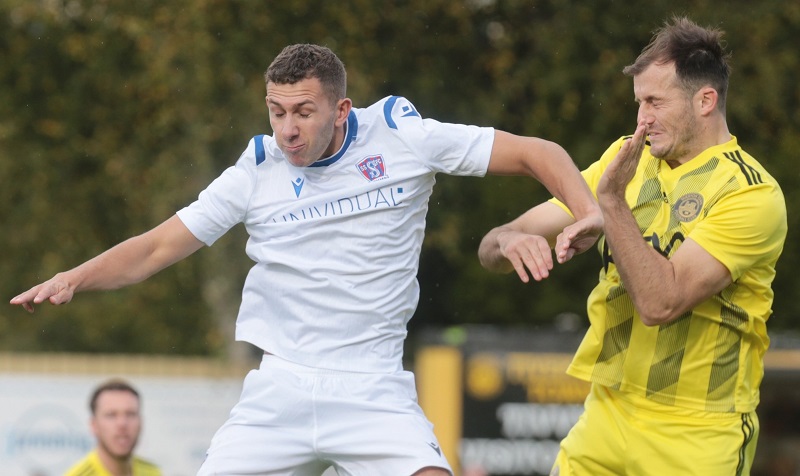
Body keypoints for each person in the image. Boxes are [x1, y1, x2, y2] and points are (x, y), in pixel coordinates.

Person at [11, 44, 601, 475]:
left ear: (342, 109)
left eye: (302, 113)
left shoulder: (402, 134)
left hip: (373, 386)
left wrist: (587, 213)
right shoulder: (255, 170)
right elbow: (157, 248)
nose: (286, 130)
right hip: (280, 387)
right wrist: (75, 277)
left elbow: (537, 152)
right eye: (275, 111)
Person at [478, 16, 787, 476]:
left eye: (654, 102)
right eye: (639, 102)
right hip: (607, 413)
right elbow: (490, 247)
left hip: (697, 432)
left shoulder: (751, 194)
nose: (641, 119)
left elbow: (661, 302)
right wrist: (510, 240)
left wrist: (610, 205)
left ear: (706, 100)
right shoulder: (627, 159)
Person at [65, 379, 161, 476]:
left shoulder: (152, 472)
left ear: (141, 422)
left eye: (130, 414)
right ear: (94, 425)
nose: (122, 423)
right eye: (111, 415)